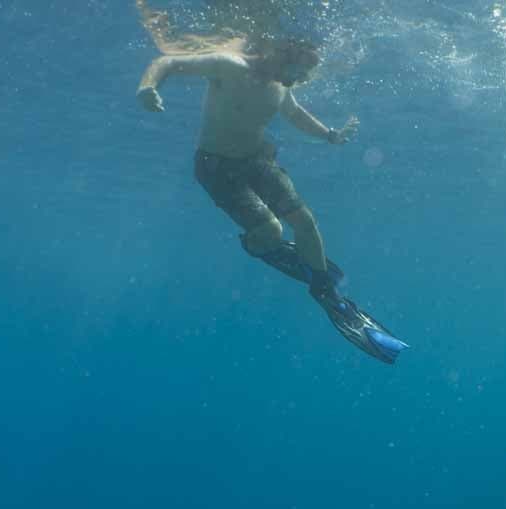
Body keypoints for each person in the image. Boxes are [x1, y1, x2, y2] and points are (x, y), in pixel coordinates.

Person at [136, 35, 407, 363]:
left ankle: (323, 289)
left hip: (258, 162)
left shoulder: (282, 84)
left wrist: (330, 136)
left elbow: (296, 114)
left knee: (306, 223)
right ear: (281, 53)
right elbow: (168, 62)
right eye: (298, 71)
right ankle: (258, 245)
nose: (298, 80)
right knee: (272, 232)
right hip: (216, 167)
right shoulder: (228, 65)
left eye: (304, 76)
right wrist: (148, 87)